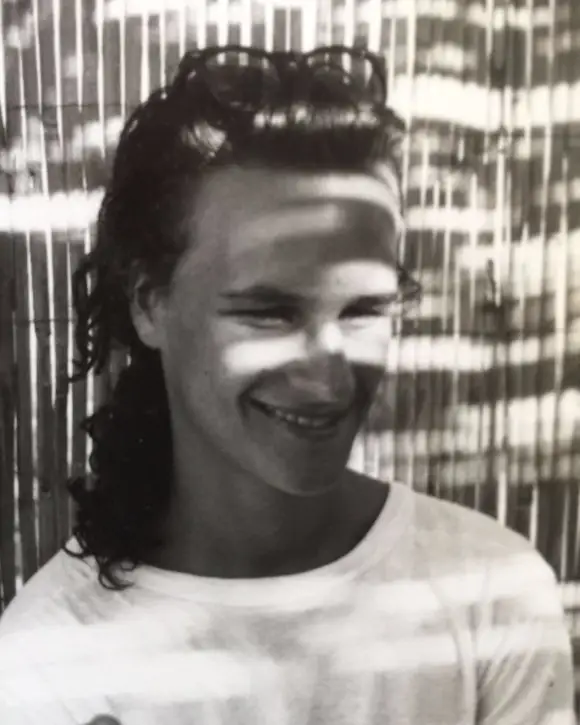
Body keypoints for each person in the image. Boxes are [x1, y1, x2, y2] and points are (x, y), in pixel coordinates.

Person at [0, 45, 574, 725]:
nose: (329, 375)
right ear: (150, 304)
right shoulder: (50, 662)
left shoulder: (488, 594)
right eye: (268, 311)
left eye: (364, 309)